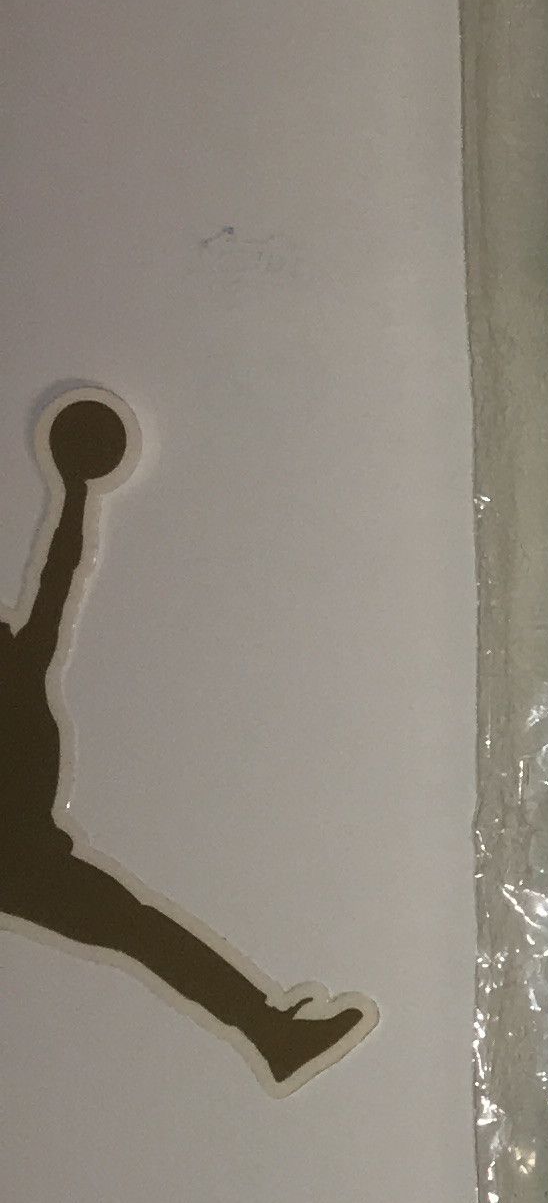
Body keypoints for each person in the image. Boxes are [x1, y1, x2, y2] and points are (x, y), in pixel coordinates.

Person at [2, 393, 370, 1089]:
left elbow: (57, 578)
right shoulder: (18, 670)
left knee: (140, 930)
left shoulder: (20, 666)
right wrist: (76, 491)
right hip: (20, 862)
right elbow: (54, 583)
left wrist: (77, 495)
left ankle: (271, 1033)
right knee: (140, 930)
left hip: (30, 861)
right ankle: (271, 1033)